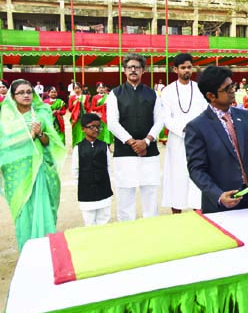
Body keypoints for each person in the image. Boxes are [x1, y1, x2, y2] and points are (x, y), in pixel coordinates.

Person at [185, 66, 248, 214]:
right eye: (227, 89)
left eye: (232, 85)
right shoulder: (197, 127)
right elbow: (197, 170)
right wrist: (218, 195)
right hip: (220, 205)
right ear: (211, 95)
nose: (233, 90)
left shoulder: (245, 117)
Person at [0, 79, 66, 251]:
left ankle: (46, 249)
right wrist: (29, 134)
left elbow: (48, 141)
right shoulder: (7, 117)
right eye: (21, 92)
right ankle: (27, 251)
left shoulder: (42, 113)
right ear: (13, 97)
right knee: (23, 210)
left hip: (41, 168)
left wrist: (40, 133)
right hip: (18, 172)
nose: (26, 95)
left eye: (29, 92)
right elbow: (6, 145)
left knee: (44, 209)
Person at [107, 54, 163, 221]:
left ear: (143, 70)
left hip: (149, 152)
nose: (133, 70)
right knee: (125, 195)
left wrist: (146, 141)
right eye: (129, 67)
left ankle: (151, 232)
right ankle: (127, 233)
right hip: (124, 152)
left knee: (150, 194)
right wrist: (132, 142)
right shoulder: (115, 94)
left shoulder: (153, 94)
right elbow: (112, 123)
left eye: (137, 67)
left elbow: (160, 120)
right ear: (124, 71)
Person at [160, 53, 207, 214]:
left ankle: (199, 215)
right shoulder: (167, 91)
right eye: (183, 68)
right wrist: (184, 129)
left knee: (198, 174)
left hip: (199, 140)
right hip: (177, 140)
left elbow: (206, 112)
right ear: (175, 69)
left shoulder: (200, 88)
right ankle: (177, 217)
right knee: (177, 176)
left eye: (189, 67)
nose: (187, 70)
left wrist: (197, 129)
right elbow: (165, 117)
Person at [72, 113, 113, 226]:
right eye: (92, 127)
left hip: (103, 188)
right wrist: (81, 185)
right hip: (86, 191)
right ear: (83, 129)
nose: (96, 129)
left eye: (98, 126)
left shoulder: (104, 146)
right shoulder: (78, 148)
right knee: (89, 221)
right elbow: (75, 170)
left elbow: (108, 167)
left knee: (104, 218)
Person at [68, 82, 92, 146]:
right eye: (75, 88)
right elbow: (70, 109)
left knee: (84, 131)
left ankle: (85, 145)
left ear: (81, 89)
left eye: (78, 88)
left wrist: (82, 106)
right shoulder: (71, 98)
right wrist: (76, 105)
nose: (77, 90)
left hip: (84, 117)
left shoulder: (85, 97)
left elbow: (88, 108)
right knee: (76, 132)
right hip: (75, 118)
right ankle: (76, 145)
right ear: (73, 90)